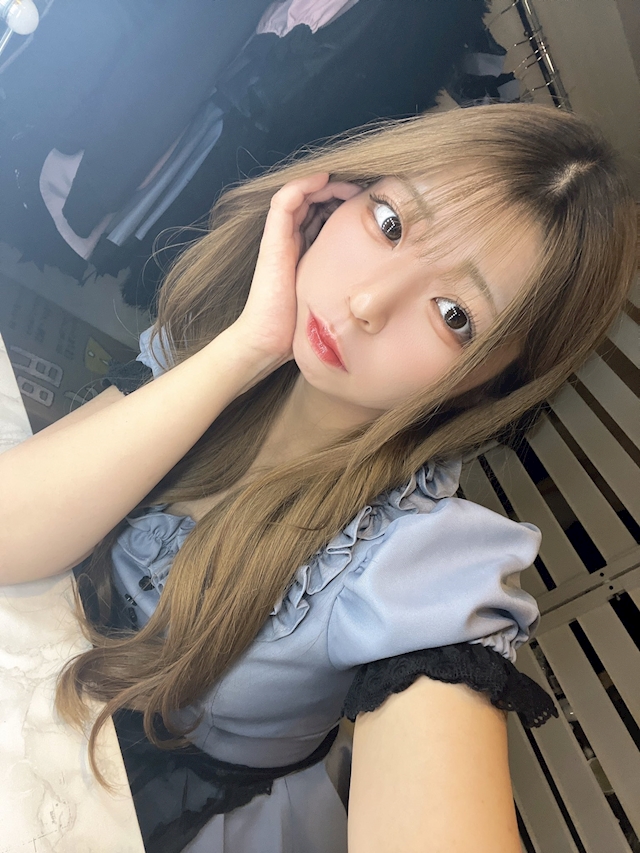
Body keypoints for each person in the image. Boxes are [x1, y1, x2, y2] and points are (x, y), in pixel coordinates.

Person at [0, 103, 635, 853]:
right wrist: (247, 348)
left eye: (453, 315)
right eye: (390, 223)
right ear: (339, 195)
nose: (367, 303)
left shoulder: (422, 561)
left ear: (494, 383)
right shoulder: (216, 343)